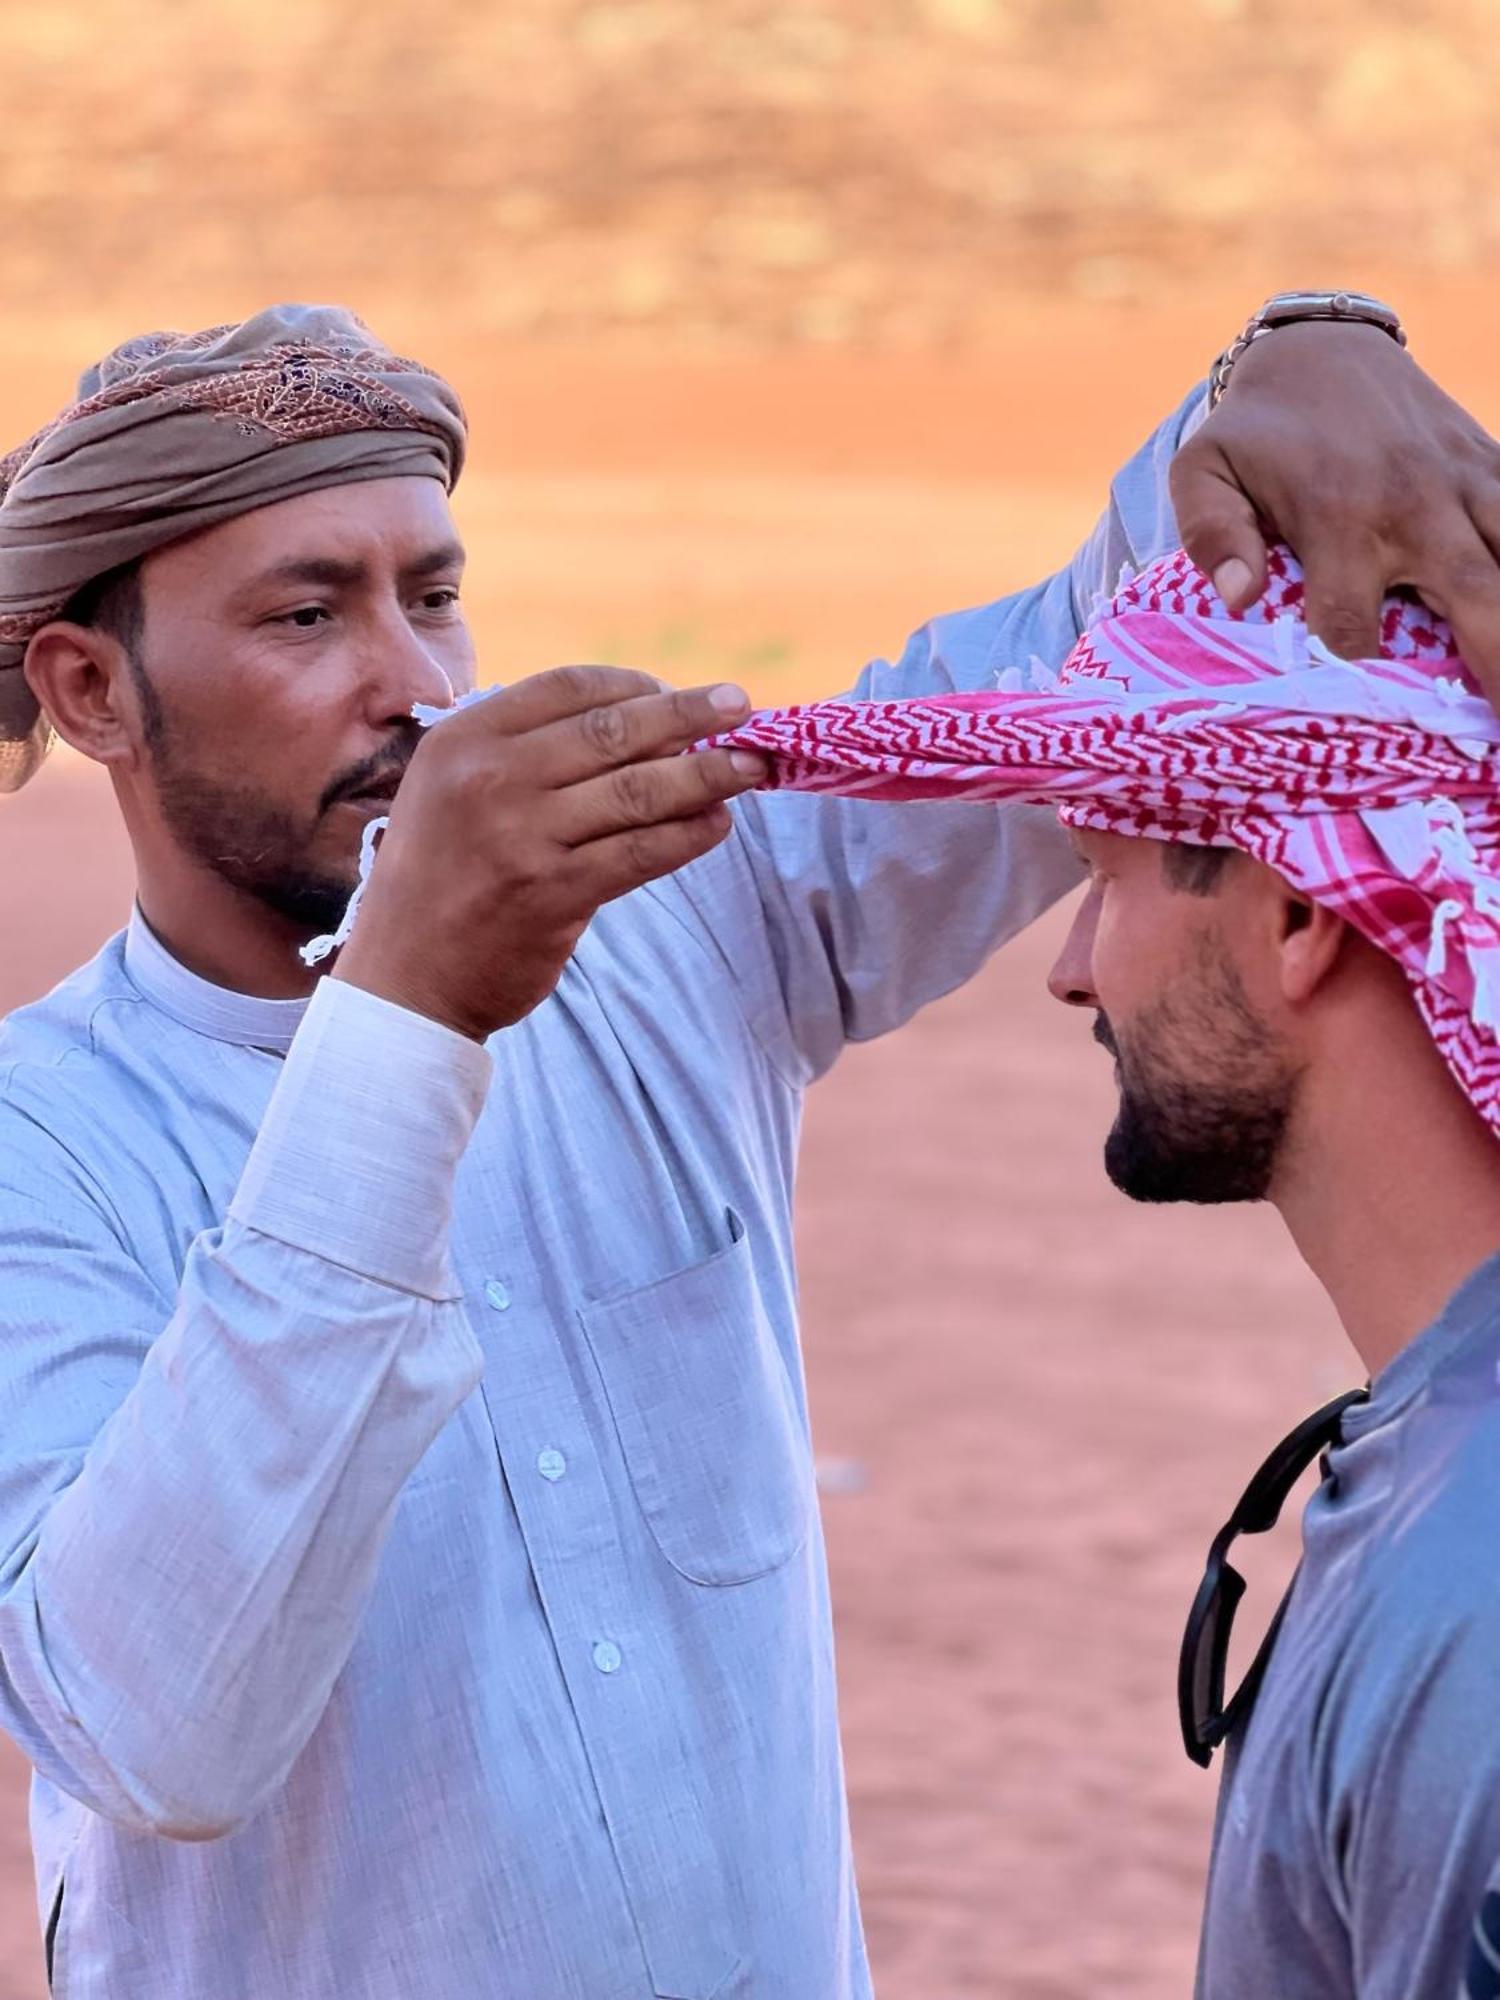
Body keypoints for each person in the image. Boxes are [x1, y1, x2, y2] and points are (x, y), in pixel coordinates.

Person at [1, 298, 1497, 1998]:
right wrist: (407, 1020)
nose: (414, 686)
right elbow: (156, 1731)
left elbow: (1067, 662)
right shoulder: (39, 1151)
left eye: (432, 595)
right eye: (303, 615)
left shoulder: (672, 931)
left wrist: (1294, 354)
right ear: (91, 689)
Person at [725, 542, 1500, 1997]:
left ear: (1298, 916)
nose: (1073, 968)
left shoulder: (1478, 1581)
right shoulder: (1435, 1459)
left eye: (1108, 879)